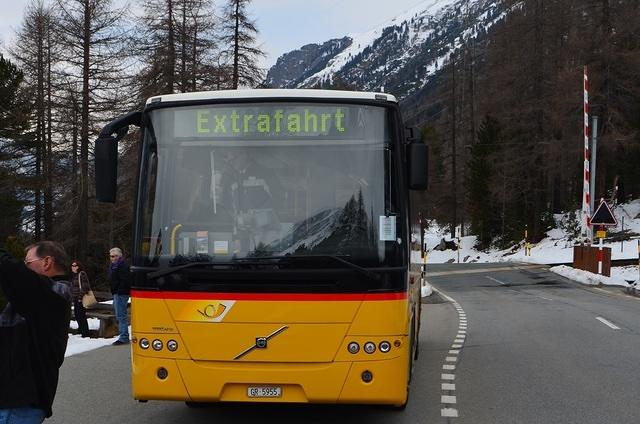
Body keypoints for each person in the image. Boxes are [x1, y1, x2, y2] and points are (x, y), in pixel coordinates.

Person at [0, 241, 72, 423]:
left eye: (27, 263)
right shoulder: (35, 300)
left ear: (47, 262)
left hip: (18, 404)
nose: (24, 268)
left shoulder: (55, 294)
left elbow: (12, 272)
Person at [108, 247, 130, 345]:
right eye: (111, 256)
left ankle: (124, 337)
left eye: (115, 256)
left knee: (121, 316)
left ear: (119, 256)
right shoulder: (114, 266)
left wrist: (119, 291)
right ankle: (122, 335)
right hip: (116, 293)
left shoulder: (122, 265)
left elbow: (125, 280)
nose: (113, 258)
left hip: (121, 293)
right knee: (119, 315)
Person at [70, 260, 91, 338]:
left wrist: (80, 297)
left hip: (81, 298)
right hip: (75, 298)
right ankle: (81, 330)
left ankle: (85, 333)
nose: (73, 267)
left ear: (79, 266)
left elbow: (85, 286)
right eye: (72, 265)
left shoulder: (82, 274)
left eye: (75, 265)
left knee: (81, 315)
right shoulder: (74, 275)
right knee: (77, 314)